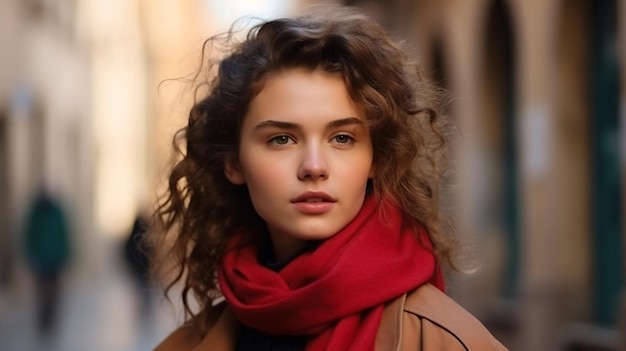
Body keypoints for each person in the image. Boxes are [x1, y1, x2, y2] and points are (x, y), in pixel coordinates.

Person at [150, 5, 507, 350]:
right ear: (234, 163)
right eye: (281, 139)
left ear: (376, 160)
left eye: (342, 138)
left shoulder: (446, 339)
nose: (314, 166)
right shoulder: (194, 340)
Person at [23, 186, 72, 337]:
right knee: (41, 292)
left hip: (55, 260)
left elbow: (64, 235)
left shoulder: (57, 212)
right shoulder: (35, 212)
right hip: (40, 260)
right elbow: (28, 235)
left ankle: (52, 319)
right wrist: (30, 255)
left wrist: (65, 256)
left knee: (54, 292)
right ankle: (43, 320)